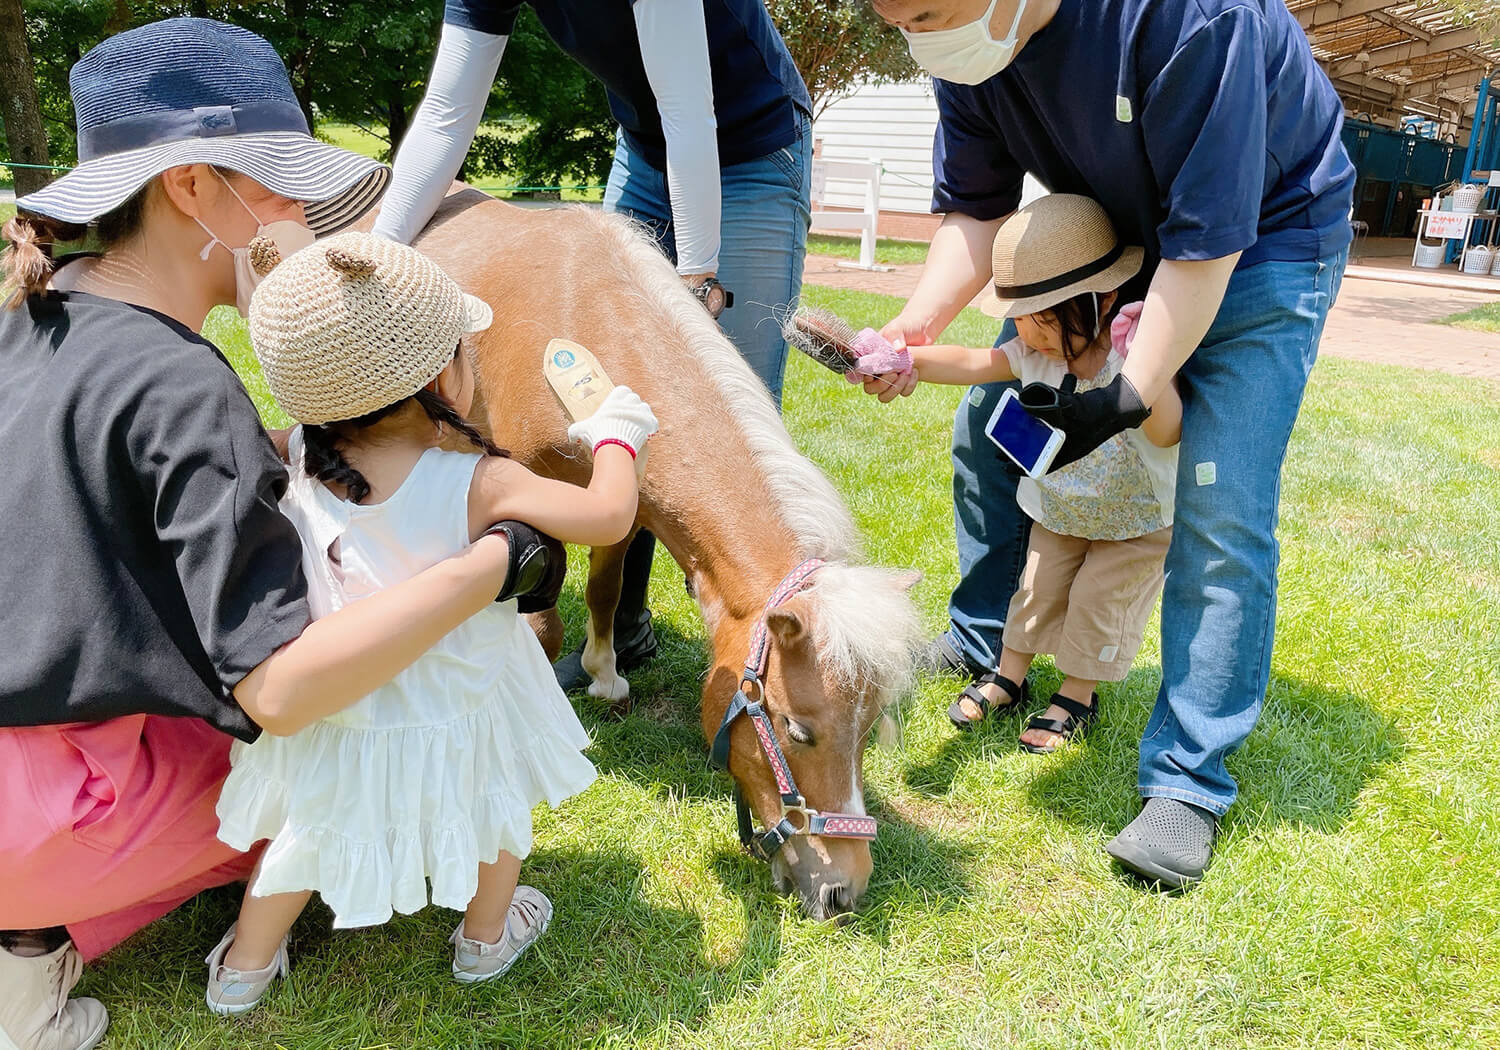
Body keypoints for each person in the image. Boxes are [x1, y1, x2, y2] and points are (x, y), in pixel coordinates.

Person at [0, 21, 562, 1050]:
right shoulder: (181, 385)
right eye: (280, 188)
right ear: (192, 190)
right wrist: (496, 564)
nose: (299, 218)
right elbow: (283, 689)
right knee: (346, 748)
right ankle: (28, 964)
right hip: (48, 816)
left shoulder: (33, 316)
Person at [868, 0, 1355, 886]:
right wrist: (910, 328)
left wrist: (1130, 392)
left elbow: (1205, 249)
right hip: (1121, 244)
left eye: (929, 13)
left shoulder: (1194, 20)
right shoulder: (969, 49)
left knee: (1220, 499)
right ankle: (988, 640)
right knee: (988, 429)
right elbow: (974, 213)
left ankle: (1187, 782)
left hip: (1268, 240)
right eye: (895, 18)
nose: (919, 38)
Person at [202, 231, 657, 1013]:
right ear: (446, 375)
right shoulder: (482, 481)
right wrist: (617, 432)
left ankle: (245, 968)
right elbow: (610, 515)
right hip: (464, 699)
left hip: (342, 703)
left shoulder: (296, 453)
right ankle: (485, 940)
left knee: (308, 828)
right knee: (495, 804)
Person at [372, 0, 814, 689]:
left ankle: (775, 659)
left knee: (730, 413)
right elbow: (447, 113)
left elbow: (689, 110)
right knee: (611, 395)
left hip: (750, 146)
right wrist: (377, 260)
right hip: (645, 150)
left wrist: (698, 277)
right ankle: (621, 629)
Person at [861, 196, 1179, 752]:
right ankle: (1009, 675)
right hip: (1058, 509)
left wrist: (1147, 372)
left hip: (1135, 519)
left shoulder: (1133, 352)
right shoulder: (1038, 353)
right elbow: (972, 363)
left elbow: (1167, 432)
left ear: (1102, 302)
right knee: (1033, 593)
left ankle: (1077, 696)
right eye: (1022, 319)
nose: (1027, 334)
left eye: (1044, 319)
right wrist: (906, 359)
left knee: (1099, 604)